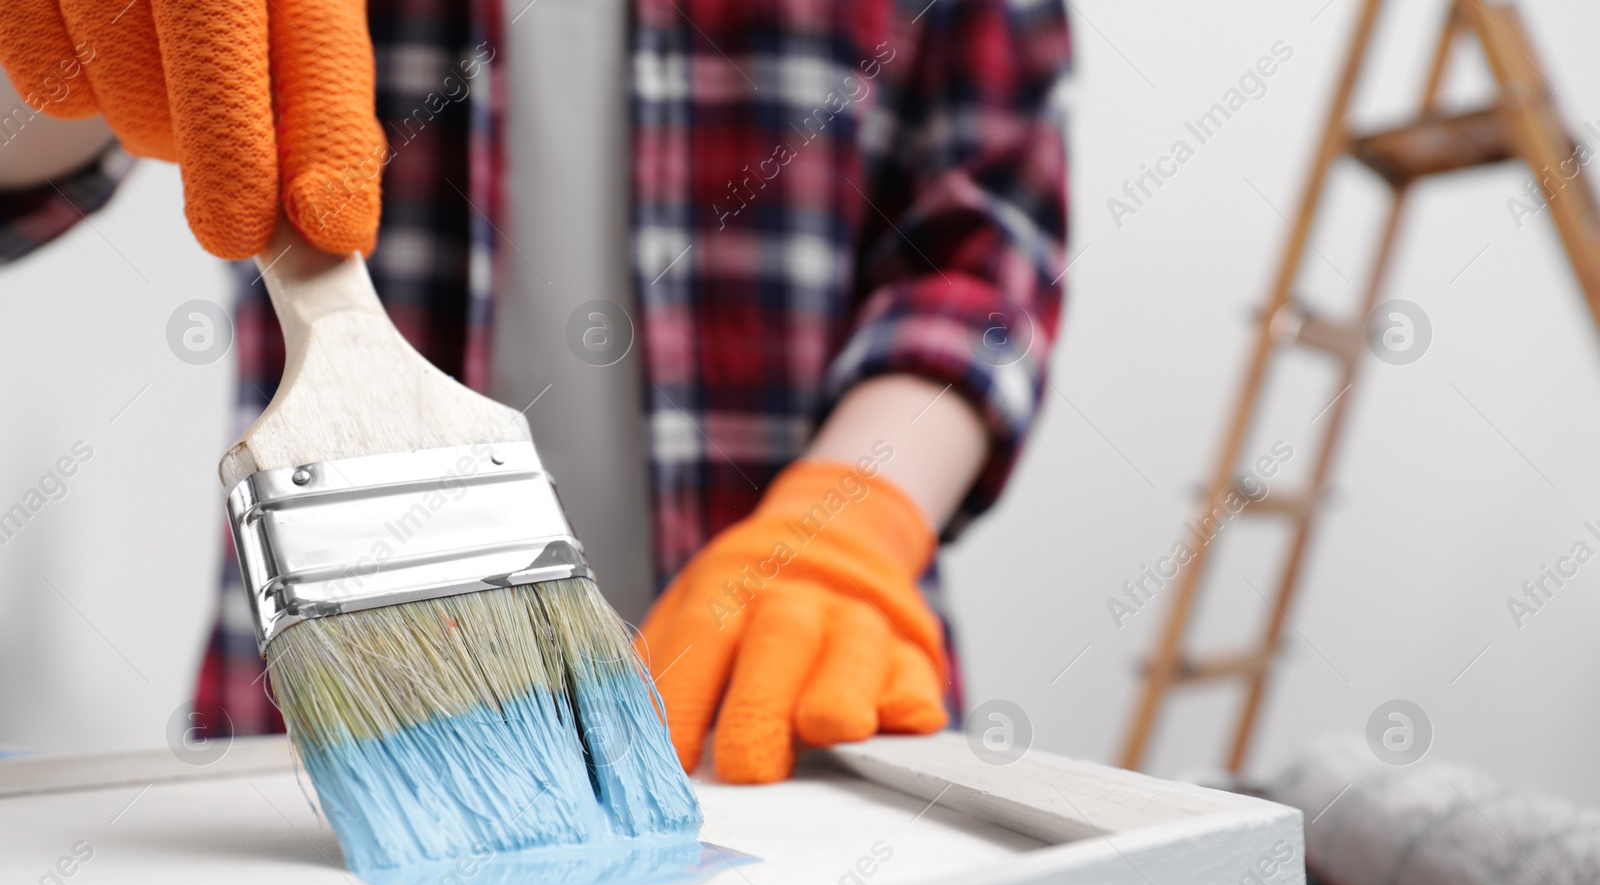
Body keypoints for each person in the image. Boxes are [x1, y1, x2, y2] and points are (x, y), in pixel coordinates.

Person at [0, 0, 1071, 783]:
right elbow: (27, 174)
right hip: (333, 757)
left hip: (803, 699)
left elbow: (981, 258)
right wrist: (52, 46)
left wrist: (852, 521)